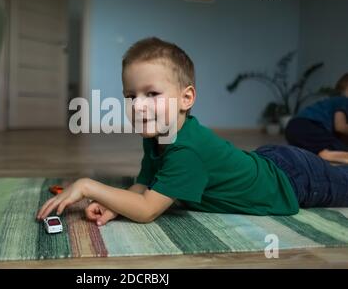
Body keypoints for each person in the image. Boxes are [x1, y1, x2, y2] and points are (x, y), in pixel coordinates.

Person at [36, 37, 348, 226]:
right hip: (269, 161)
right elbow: (143, 186)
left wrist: (90, 186)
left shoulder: (187, 150)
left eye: (151, 94)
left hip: (295, 180)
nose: (138, 106)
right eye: (130, 96)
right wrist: (113, 206)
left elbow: (146, 210)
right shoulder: (160, 135)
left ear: (187, 98)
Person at [285, 73, 348, 164]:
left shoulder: (332, 101)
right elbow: (340, 126)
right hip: (307, 126)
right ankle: (327, 154)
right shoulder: (343, 101)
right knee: (340, 147)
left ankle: (319, 154)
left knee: (312, 149)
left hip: (293, 128)